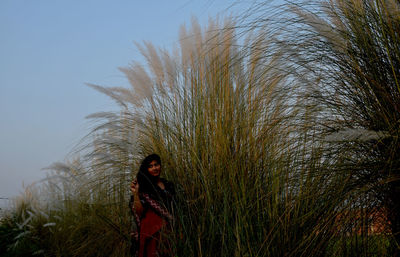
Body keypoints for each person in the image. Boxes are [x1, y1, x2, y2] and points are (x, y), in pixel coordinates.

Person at [129, 154, 175, 257]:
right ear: (146, 169)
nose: (154, 168)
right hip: (152, 232)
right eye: (150, 166)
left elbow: (175, 206)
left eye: (156, 164)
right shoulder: (144, 187)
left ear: (160, 166)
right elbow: (139, 212)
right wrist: (136, 193)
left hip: (169, 230)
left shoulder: (168, 184)